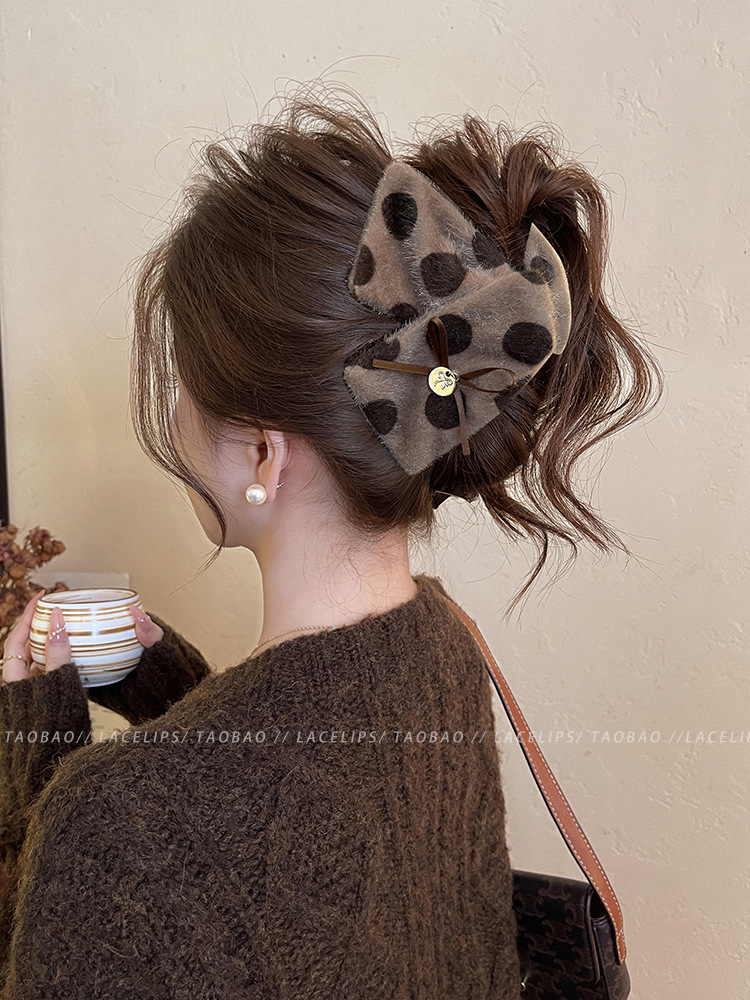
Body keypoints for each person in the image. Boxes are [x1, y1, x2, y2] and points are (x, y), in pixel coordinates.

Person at [0, 90, 661, 998]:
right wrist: (167, 686)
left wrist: (31, 768)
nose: (177, 423)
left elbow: (214, 861)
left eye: (188, 390)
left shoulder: (107, 829)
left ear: (261, 454)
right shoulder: (442, 648)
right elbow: (307, 856)